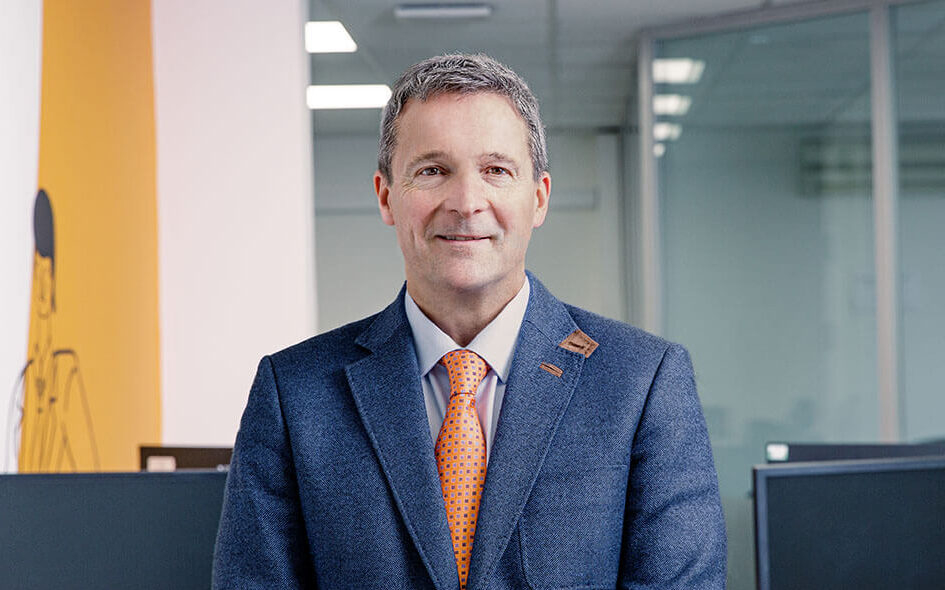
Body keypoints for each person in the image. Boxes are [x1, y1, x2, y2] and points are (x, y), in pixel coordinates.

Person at [213, 53, 726, 589]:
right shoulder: (296, 393)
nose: (465, 202)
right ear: (387, 197)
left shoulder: (642, 381)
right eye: (432, 171)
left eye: (496, 171)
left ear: (539, 198)